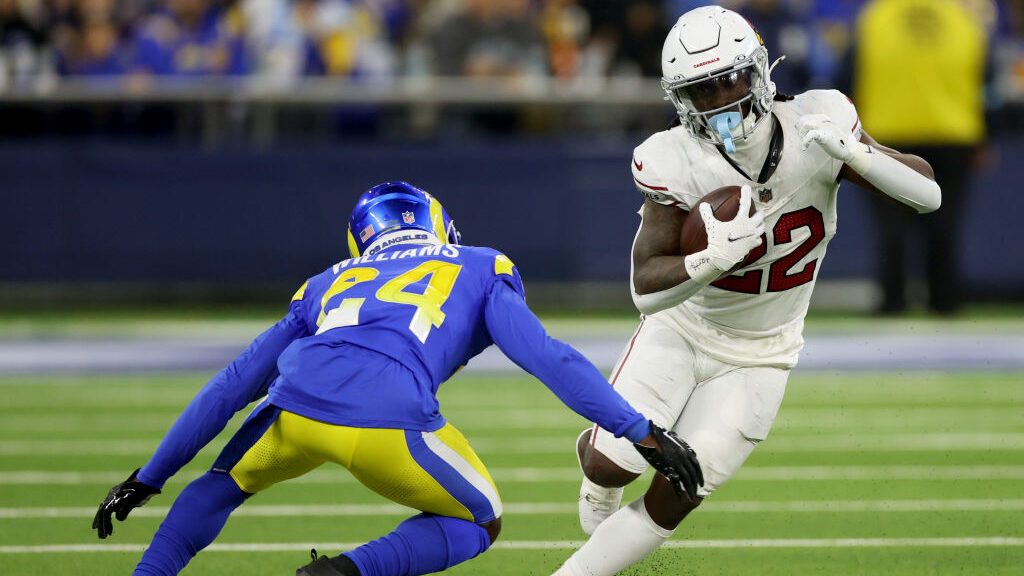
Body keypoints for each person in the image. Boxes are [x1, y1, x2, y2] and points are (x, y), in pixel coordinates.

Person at [91, 181, 703, 576]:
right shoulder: (480, 265)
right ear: (437, 224)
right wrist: (640, 431)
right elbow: (549, 358)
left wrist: (150, 475)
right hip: (386, 418)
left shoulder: (329, 280)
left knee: (220, 484)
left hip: (295, 409)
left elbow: (232, 384)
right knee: (480, 520)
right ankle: (345, 573)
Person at [554, 6, 941, 575]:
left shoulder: (819, 123)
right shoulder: (673, 157)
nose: (718, 99)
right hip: (684, 330)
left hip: (763, 351)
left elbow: (927, 195)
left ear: (757, 69)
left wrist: (857, 153)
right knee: (613, 467)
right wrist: (708, 260)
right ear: (680, 98)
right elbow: (644, 287)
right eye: (699, 89)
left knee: (681, 489)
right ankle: (595, 466)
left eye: (727, 78)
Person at [849, 0, 989, 314]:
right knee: (944, 226)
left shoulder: (874, 18)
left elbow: (848, 75)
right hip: (953, 134)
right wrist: (983, 133)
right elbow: (984, 78)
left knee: (891, 230)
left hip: (888, 132)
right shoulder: (964, 19)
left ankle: (892, 301)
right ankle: (945, 301)